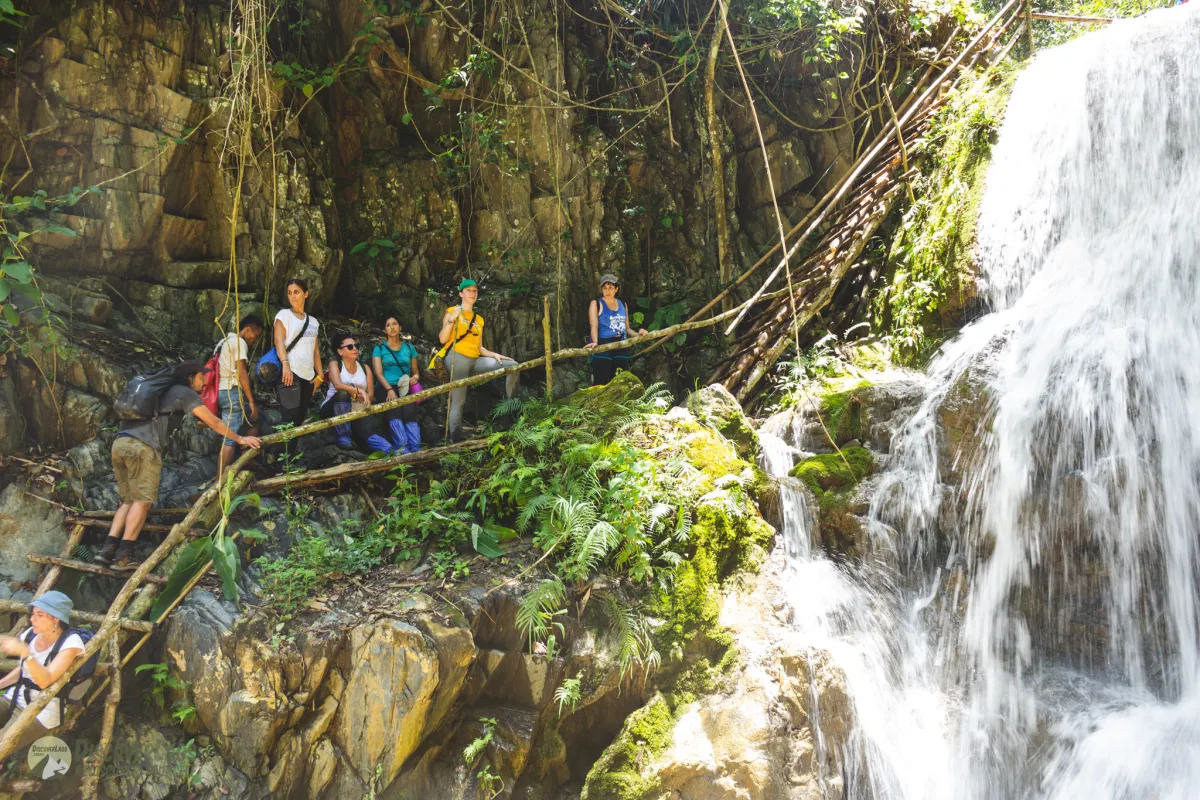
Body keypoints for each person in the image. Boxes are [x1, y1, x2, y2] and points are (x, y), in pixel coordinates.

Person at [96, 361, 263, 568]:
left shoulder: (158, 392)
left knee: (128, 501)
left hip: (120, 444)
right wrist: (240, 439)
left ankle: (106, 551)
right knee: (142, 502)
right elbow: (214, 422)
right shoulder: (183, 393)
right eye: (202, 377)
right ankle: (123, 556)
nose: (205, 382)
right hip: (143, 448)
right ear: (190, 377)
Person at [0, 592, 84, 753]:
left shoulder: (71, 643)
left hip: (42, 710)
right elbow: (24, 669)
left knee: (2, 746)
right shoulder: (31, 634)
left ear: (56, 619)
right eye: (33, 614)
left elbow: (46, 681)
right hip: (14, 698)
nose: (32, 619)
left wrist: (26, 653)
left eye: (40, 615)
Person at [439, 279, 518, 442]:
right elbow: (442, 339)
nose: (472, 293)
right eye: (468, 290)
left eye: (475, 291)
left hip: (475, 359)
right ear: (461, 294)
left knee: (514, 366)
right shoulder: (452, 311)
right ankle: (455, 439)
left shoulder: (478, 319)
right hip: (457, 357)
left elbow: (479, 348)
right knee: (458, 399)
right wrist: (451, 319)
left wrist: (495, 355)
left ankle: (510, 410)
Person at [320, 333, 394, 454]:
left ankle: (387, 449)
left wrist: (359, 395)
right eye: (350, 347)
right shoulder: (335, 365)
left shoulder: (365, 368)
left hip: (357, 407)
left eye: (356, 346)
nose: (355, 349)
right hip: (333, 408)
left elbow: (370, 395)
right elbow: (338, 386)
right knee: (343, 394)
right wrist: (359, 391)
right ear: (340, 351)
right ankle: (343, 436)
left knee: (368, 433)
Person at [216, 315, 264, 479]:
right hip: (232, 393)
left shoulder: (225, 341)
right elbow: (242, 373)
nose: (254, 339)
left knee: (256, 419)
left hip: (223, 392)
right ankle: (219, 484)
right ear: (248, 329)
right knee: (229, 438)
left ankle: (245, 458)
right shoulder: (240, 342)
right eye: (255, 335)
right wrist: (250, 400)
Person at [371, 313, 422, 454]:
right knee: (394, 409)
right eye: (388, 325)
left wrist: (415, 378)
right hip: (385, 386)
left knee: (410, 411)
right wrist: (389, 389)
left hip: (404, 385)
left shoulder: (409, 348)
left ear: (400, 327)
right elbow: (378, 373)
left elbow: (416, 371)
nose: (392, 327)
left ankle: (416, 447)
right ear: (385, 330)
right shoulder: (379, 349)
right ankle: (402, 447)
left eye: (394, 324)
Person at [274, 279, 322, 429]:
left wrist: (320, 375)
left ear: (305, 294)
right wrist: (285, 364)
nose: (292, 296)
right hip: (290, 373)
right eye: (289, 293)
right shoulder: (284, 315)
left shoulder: (313, 322)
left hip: (308, 376)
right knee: (289, 420)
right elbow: (279, 342)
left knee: (299, 419)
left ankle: (290, 453)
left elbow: (315, 351)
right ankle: (280, 453)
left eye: (296, 292)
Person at [584, 273, 647, 386]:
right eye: (605, 288)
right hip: (603, 345)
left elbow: (627, 329)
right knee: (601, 382)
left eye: (610, 288)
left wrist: (639, 334)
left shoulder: (623, 305)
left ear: (616, 289)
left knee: (620, 382)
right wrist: (595, 342)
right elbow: (594, 326)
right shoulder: (596, 304)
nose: (607, 291)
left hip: (622, 345)